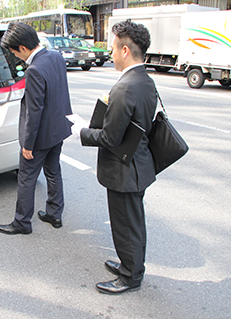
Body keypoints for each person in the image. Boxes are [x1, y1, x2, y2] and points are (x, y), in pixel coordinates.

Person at [78, 19, 157, 294]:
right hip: (139, 164)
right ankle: (131, 265)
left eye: (113, 48)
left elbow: (111, 138)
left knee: (125, 226)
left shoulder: (125, 88)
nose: (110, 54)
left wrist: (82, 131)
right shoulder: (144, 79)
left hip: (125, 169)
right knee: (133, 223)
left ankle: (130, 276)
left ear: (125, 50)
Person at [0, 22, 73, 235]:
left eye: (13, 51)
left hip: (40, 137)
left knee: (27, 178)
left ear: (22, 47)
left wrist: (27, 144)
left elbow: (33, 112)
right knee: (53, 171)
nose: (14, 56)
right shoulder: (56, 57)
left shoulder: (34, 70)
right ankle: (55, 214)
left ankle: (22, 222)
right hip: (59, 129)